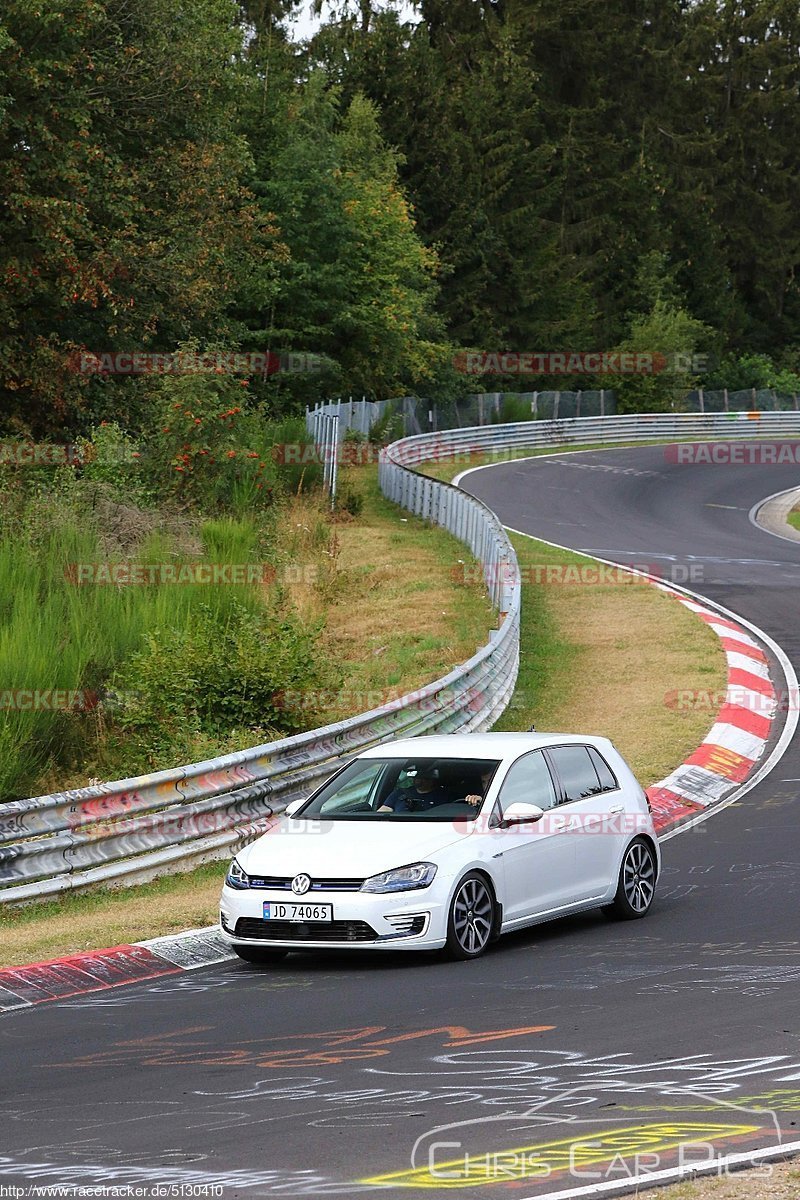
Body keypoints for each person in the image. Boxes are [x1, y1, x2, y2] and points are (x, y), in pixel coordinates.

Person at [378, 766, 449, 813]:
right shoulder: (399, 794)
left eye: (424, 777)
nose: (419, 780)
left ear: (432, 779)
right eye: (417, 776)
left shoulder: (445, 797)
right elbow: (382, 812)